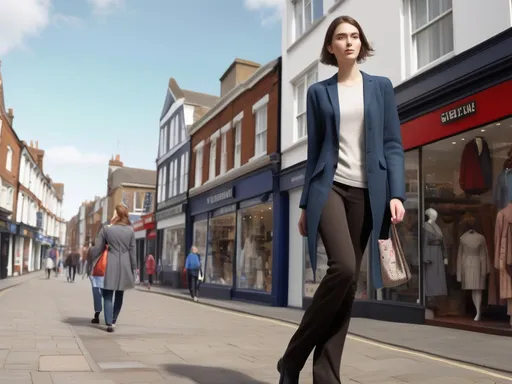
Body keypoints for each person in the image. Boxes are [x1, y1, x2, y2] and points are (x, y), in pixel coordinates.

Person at [277, 16, 406, 384]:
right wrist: (304, 205)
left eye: (354, 36)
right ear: (330, 48)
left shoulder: (381, 87)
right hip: (329, 187)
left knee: (347, 288)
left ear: (361, 44)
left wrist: (397, 192)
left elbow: (392, 144)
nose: (349, 42)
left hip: (368, 194)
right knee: (345, 268)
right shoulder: (319, 93)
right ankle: (293, 356)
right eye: (340, 37)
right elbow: (316, 150)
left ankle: (324, 375)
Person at [91, 204, 136, 333]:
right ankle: (114, 320)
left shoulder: (107, 229)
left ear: (117, 215)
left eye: (114, 212)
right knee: (120, 293)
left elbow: (98, 248)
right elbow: (133, 250)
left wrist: (93, 260)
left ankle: (109, 322)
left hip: (110, 263)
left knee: (108, 294)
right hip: (125, 264)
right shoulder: (130, 230)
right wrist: (134, 267)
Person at [86, 241, 103, 324]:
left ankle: (97, 314)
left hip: (94, 273)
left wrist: (87, 272)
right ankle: (110, 318)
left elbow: (88, 261)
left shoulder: (92, 249)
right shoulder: (109, 247)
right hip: (107, 273)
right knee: (108, 295)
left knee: (96, 294)